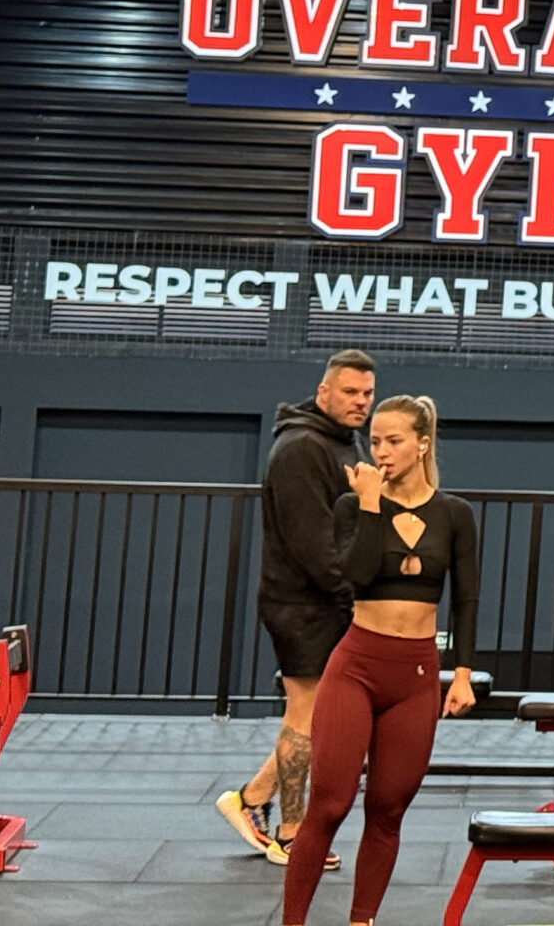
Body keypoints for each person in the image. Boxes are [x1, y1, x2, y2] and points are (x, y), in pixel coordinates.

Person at [282, 395, 479, 926]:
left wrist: (462, 674)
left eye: (394, 441)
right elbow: (358, 575)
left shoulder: (454, 514)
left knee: (388, 809)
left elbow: (465, 599)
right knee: (329, 802)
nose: (382, 451)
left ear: (422, 444)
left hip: (415, 674)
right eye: (375, 441)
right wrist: (370, 504)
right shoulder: (354, 505)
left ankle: (362, 920)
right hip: (357, 665)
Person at [219, 348, 376, 867]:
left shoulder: (341, 441)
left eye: (367, 393)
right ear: (323, 391)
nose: (361, 401)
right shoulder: (301, 448)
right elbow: (314, 545)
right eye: (350, 391)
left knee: (319, 716)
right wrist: (357, 599)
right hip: (301, 603)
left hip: (326, 598)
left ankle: (250, 799)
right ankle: (291, 836)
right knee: (306, 713)